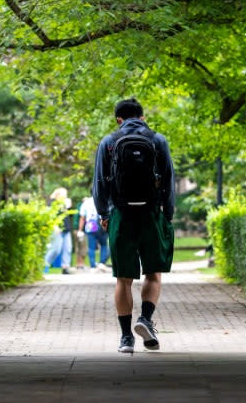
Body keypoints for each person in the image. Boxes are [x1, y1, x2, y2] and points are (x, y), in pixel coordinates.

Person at [93, 98, 175, 353]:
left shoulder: (109, 142)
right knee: (153, 273)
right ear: (142, 116)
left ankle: (126, 338)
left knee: (123, 278)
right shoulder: (158, 140)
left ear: (119, 119)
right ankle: (146, 319)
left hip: (121, 214)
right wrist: (167, 215)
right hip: (151, 213)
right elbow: (170, 179)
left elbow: (99, 184)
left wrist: (104, 214)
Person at [44, 187, 75, 274]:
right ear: (58, 195)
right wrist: (55, 226)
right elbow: (49, 217)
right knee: (56, 249)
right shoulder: (51, 203)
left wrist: (68, 207)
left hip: (66, 229)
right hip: (57, 230)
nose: (65, 197)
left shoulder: (64, 204)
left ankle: (65, 267)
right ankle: (45, 265)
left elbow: (69, 216)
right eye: (64, 195)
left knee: (67, 249)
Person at [78, 195, 109, 271]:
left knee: (91, 247)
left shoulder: (86, 202)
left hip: (90, 225)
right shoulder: (104, 199)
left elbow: (82, 217)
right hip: (101, 223)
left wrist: (80, 230)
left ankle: (92, 266)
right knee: (104, 245)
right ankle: (102, 263)